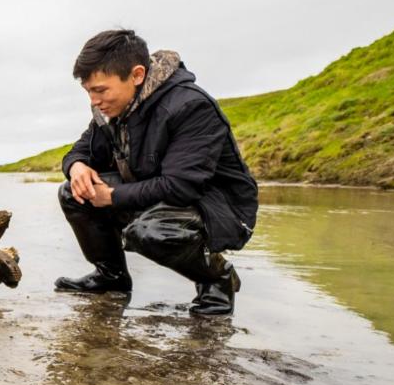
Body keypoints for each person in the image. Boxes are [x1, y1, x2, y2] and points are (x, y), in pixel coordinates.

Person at [55, 29, 259, 315]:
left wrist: (112, 196)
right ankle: (111, 277)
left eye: (100, 90)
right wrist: (76, 167)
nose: (94, 100)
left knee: (151, 232)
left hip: (217, 209)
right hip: (157, 194)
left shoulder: (190, 106)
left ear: (137, 75)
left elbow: (181, 186)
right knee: (73, 192)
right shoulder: (111, 110)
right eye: (88, 91)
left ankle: (217, 279)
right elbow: (80, 151)